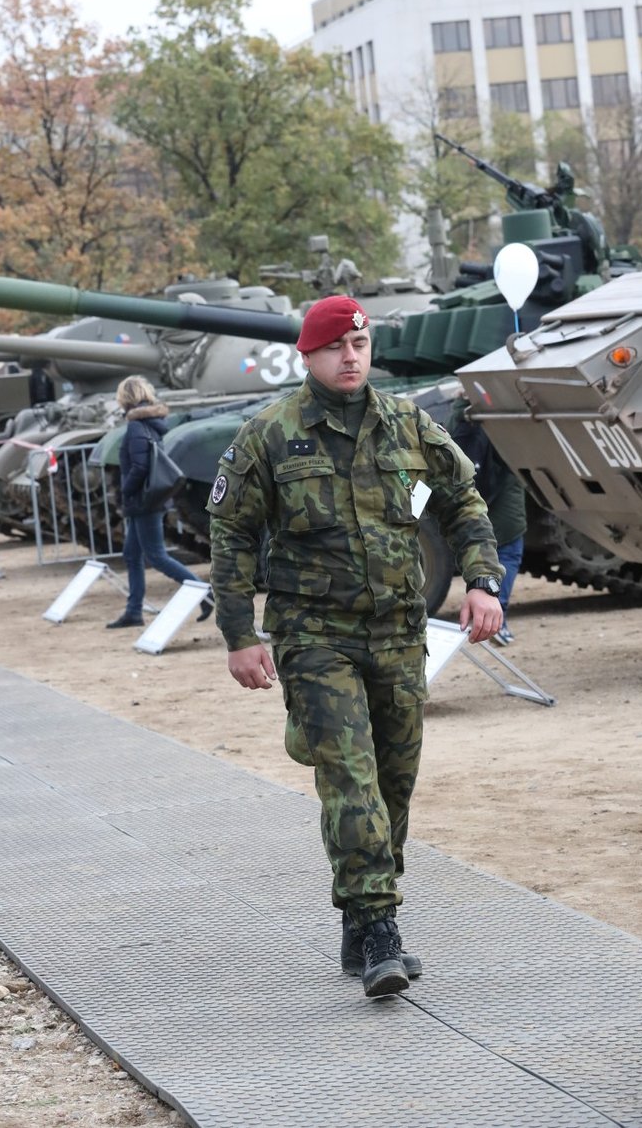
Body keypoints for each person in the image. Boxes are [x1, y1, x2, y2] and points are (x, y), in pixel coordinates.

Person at [207, 296, 503, 998]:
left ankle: (359, 914)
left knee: (394, 781)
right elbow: (232, 534)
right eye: (336, 346)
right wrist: (239, 635)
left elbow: (464, 497)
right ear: (308, 356)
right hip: (315, 638)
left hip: (398, 631)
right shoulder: (271, 434)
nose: (351, 356)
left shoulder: (407, 424)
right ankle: (378, 927)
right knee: (350, 777)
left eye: (361, 344)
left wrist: (482, 582)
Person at [106, 376, 212, 629]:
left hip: (142, 501)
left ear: (125, 398)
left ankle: (206, 592)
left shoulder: (135, 427)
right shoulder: (150, 423)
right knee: (132, 555)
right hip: (147, 499)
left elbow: (140, 466)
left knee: (156, 556)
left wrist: (125, 491)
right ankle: (133, 611)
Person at [446, 395, 526, 646]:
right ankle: (495, 619)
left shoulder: (456, 415)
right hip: (502, 496)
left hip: (471, 493)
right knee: (509, 553)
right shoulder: (498, 414)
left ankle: (489, 617)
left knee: (487, 555)